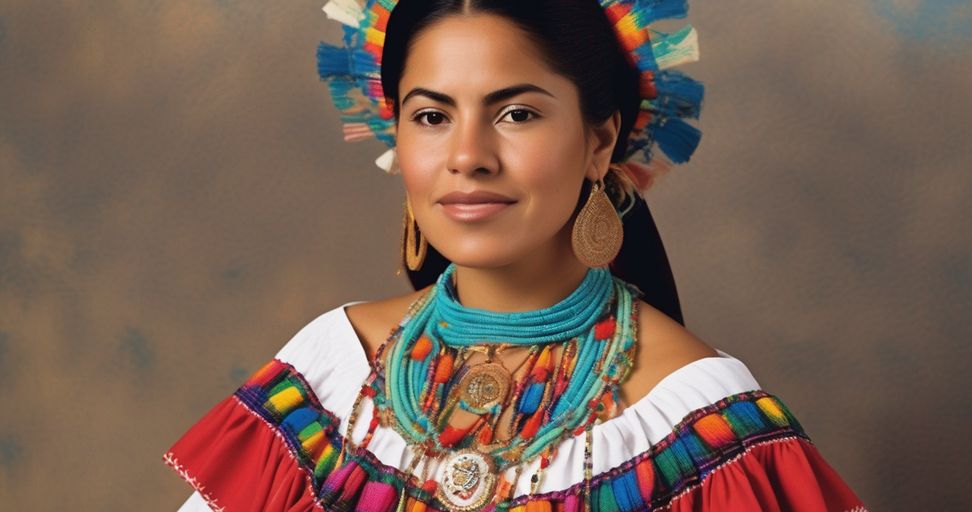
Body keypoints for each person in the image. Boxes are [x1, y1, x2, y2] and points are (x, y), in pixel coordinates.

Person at [163, 1, 868, 510]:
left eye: (516, 114)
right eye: (433, 117)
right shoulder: (328, 373)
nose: (467, 157)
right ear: (397, 136)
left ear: (600, 142)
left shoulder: (704, 423)